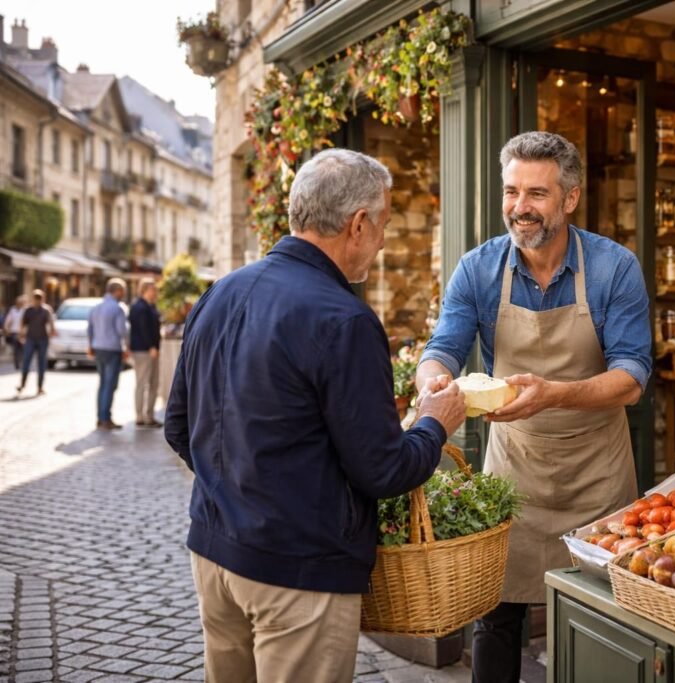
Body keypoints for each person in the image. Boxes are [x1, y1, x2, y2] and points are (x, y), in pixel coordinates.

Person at [164, 148, 467, 683]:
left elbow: (178, 428)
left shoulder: (219, 292)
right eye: (383, 227)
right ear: (357, 224)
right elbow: (383, 470)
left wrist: (235, 489)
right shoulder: (344, 319)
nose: (380, 243)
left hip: (213, 556)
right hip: (297, 574)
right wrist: (435, 422)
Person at [416, 131, 653, 683]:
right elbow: (443, 348)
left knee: (608, 614)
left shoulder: (614, 267)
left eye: (537, 194)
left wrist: (555, 393)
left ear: (570, 199)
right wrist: (433, 383)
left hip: (598, 470)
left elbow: (632, 377)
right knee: (496, 616)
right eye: (511, 191)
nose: (520, 208)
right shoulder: (477, 269)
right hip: (514, 468)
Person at [87, 278, 129, 429]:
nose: (123, 294)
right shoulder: (117, 309)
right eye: (122, 291)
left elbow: (90, 329)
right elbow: (122, 331)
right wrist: (127, 347)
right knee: (110, 385)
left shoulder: (96, 307)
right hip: (112, 349)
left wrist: (90, 345)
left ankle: (100, 417)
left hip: (98, 348)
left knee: (103, 383)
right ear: (117, 291)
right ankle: (105, 418)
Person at [129, 278, 162, 427]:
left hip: (152, 349)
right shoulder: (139, 307)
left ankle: (149, 415)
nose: (155, 292)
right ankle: (140, 416)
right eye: (152, 289)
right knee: (142, 383)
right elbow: (142, 329)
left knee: (154, 384)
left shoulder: (151, 306)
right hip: (144, 350)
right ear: (144, 290)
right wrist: (151, 347)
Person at [16, 290, 55, 396]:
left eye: (39, 298)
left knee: (41, 363)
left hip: (42, 339)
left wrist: (52, 332)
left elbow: (51, 324)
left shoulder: (46, 310)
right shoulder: (28, 310)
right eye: (36, 298)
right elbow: (23, 324)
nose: (37, 301)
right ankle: (22, 384)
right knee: (26, 361)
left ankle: (40, 387)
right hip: (30, 339)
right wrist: (21, 335)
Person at [4, 295, 27, 372]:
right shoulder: (12, 310)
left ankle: (22, 363)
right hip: (14, 332)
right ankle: (17, 365)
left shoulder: (24, 310)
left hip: (22, 333)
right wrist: (7, 328)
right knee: (16, 349)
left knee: (22, 349)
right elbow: (8, 320)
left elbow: (26, 322)